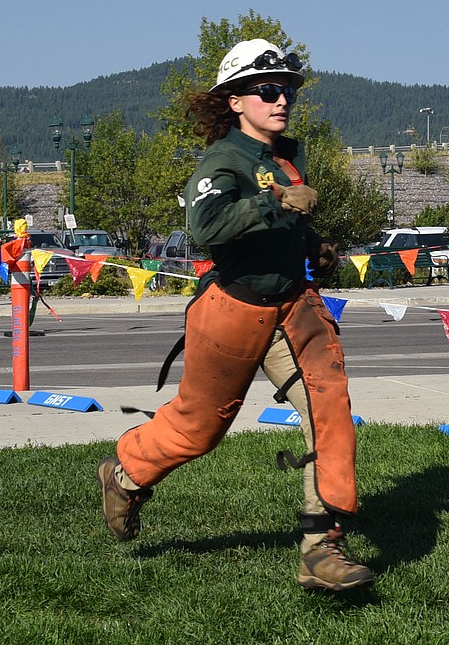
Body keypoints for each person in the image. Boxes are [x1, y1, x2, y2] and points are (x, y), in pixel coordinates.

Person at [97, 39, 373, 592]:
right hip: (232, 310)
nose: (282, 99)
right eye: (267, 90)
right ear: (235, 101)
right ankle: (125, 473)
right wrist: (275, 204)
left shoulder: (284, 158)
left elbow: (286, 224)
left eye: (287, 89)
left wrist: (314, 245)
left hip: (296, 309)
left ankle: (321, 548)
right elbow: (206, 230)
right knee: (199, 431)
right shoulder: (222, 161)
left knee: (330, 410)